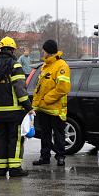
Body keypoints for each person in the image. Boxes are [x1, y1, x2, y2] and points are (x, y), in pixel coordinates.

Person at [0, 37, 32, 178]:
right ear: (12, 50)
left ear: (1, 49)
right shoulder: (15, 66)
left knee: (1, 139)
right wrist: (28, 107)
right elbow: (20, 90)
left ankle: (1, 169)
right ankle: (15, 169)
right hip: (14, 112)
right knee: (14, 140)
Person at [32, 39, 71, 167]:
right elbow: (40, 87)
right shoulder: (45, 65)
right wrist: (37, 104)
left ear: (48, 51)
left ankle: (60, 157)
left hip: (56, 109)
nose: (42, 52)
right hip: (44, 108)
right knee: (45, 134)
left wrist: (47, 99)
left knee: (59, 134)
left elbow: (63, 88)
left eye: (43, 50)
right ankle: (45, 156)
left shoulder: (61, 65)